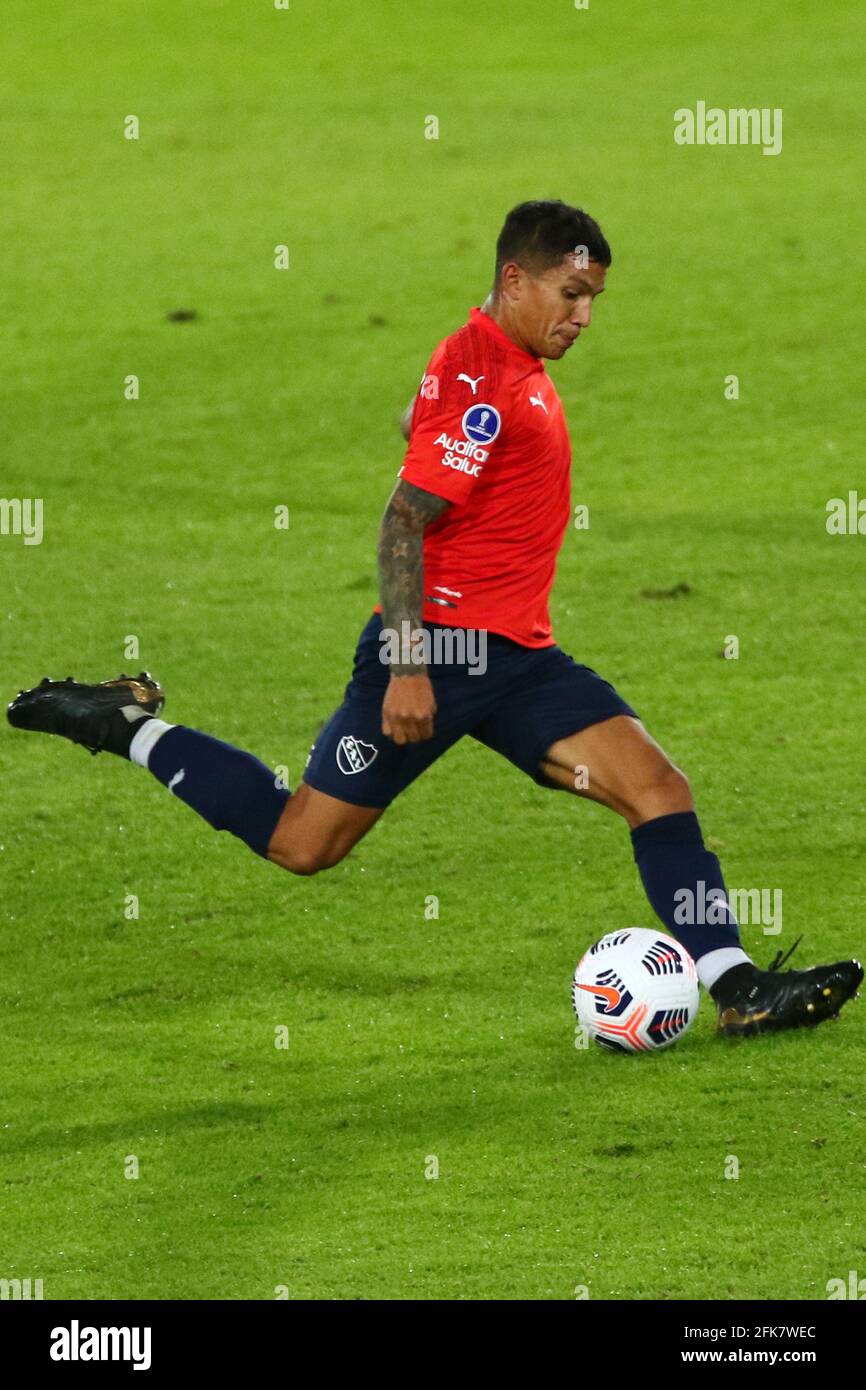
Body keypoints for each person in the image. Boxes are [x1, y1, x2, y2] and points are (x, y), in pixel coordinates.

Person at [8, 199, 861, 1038]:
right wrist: (410, 667)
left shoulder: (489, 366)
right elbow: (404, 522)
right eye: (571, 295)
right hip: (437, 654)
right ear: (514, 278)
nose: (585, 316)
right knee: (303, 843)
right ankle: (122, 726)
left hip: (522, 659)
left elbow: (433, 431)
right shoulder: (485, 376)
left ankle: (739, 988)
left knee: (657, 791)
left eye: (595, 297)